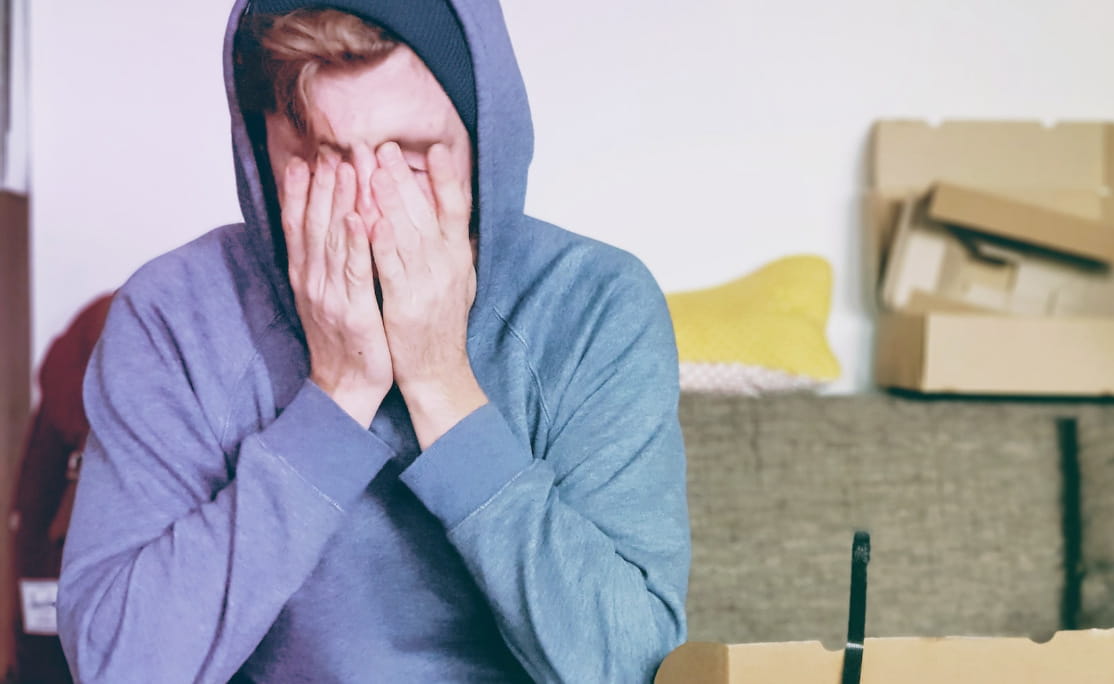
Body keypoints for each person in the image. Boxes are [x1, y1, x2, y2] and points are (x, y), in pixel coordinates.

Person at [56, 1, 691, 682]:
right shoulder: (172, 313)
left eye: (413, 160)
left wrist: (440, 384)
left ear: (484, 141)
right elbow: (119, 667)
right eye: (322, 160)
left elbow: (632, 666)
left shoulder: (597, 305)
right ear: (261, 153)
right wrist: (337, 395)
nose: (364, 207)